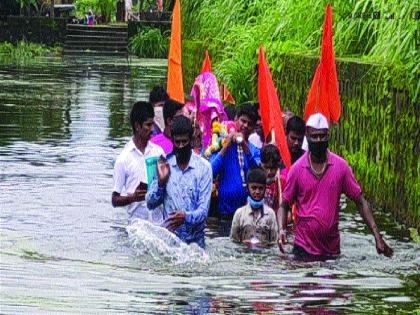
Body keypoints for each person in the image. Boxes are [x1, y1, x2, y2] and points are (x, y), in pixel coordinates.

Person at [278, 113, 393, 260]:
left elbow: (360, 201)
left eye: (322, 136)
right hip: (303, 248)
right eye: (314, 136)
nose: (318, 140)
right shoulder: (297, 169)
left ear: (328, 136)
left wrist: (377, 235)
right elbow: (284, 204)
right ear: (307, 135)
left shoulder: (341, 167)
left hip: (331, 250)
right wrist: (281, 230)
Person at [146, 116, 212, 248]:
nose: (181, 146)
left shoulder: (204, 168)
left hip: (196, 246)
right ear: (172, 140)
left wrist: (185, 217)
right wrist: (160, 183)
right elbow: (150, 203)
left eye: (184, 142)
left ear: (191, 140)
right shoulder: (164, 164)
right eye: (177, 142)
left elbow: (203, 212)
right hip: (169, 245)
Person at [210, 103, 261, 236]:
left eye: (249, 124)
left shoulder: (254, 150)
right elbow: (210, 172)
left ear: (253, 128)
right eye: (243, 121)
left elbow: (258, 175)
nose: (245, 126)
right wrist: (226, 147)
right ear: (236, 120)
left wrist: (245, 148)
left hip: (249, 213)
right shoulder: (220, 143)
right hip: (225, 213)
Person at [112, 101, 165, 224]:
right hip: (137, 227)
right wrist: (133, 197)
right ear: (137, 126)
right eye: (148, 125)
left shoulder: (159, 152)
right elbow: (114, 200)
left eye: (153, 124)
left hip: (159, 224)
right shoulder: (123, 159)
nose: (152, 130)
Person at [230, 168, 278, 247]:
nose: (257, 192)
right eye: (254, 188)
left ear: (265, 189)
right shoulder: (239, 214)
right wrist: (243, 245)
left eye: (261, 188)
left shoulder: (270, 214)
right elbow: (233, 242)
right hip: (244, 255)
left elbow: (274, 243)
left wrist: (263, 245)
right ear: (247, 189)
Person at [261, 144, 284, 216]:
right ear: (261, 164)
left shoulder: (282, 182)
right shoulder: (256, 180)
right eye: (266, 167)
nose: (269, 172)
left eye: (273, 168)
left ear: (278, 166)